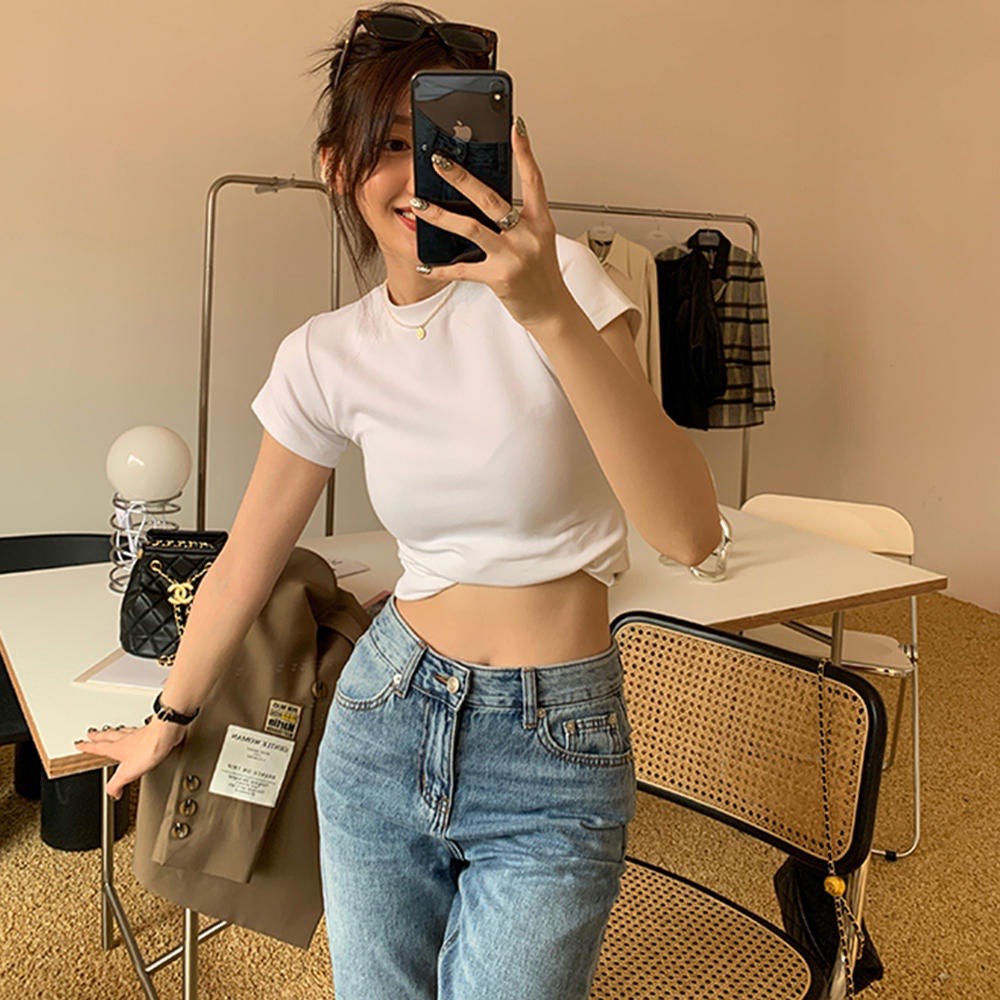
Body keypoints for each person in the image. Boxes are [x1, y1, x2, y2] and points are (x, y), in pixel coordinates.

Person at [76, 4, 722, 997]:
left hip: (555, 742)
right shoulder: (326, 354)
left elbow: (687, 532)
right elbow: (245, 559)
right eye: (384, 147)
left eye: (443, 145)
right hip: (385, 714)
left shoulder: (565, 284)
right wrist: (169, 716)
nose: (418, 176)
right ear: (335, 167)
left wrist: (546, 311)